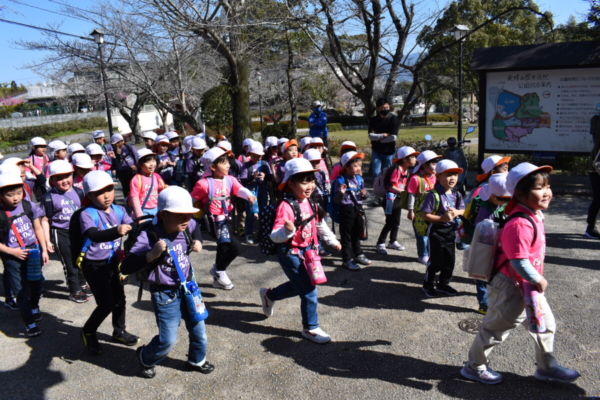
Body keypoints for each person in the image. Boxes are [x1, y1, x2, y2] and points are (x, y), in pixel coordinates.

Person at [461, 163, 580, 385]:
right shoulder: (518, 222)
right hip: (510, 287)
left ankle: (547, 367)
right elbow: (517, 260)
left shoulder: (533, 215)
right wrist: (538, 278)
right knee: (495, 329)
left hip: (528, 287)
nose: (546, 192)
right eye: (538, 188)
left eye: (548, 186)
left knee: (545, 325)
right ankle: (474, 366)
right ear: (520, 193)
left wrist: (534, 281)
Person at [120, 186, 214, 378]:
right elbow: (125, 266)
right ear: (163, 215)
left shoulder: (187, 225)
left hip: (189, 288)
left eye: (189, 214)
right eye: (180, 215)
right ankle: (146, 357)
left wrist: (199, 241)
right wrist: (151, 254)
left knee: (199, 331)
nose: (186, 219)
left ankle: (196, 360)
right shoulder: (150, 235)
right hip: (164, 293)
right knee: (167, 340)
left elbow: (196, 228)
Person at [259, 158, 340, 344]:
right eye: (304, 182)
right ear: (291, 183)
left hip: (309, 253)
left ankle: (269, 295)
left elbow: (318, 223)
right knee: (309, 289)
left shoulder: (311, 201)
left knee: (299, 285)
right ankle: (310, 328)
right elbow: (275, 236)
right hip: (290, 253)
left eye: (311, 180)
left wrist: (332, 240)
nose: (309, 185)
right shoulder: (285, 206)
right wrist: (287, 231)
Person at [78, 170, 139, 354]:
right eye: (99, 192)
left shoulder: (118, 210)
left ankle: (119, 331)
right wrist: (116, 231)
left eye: (110, 189)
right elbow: (93, 235)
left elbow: (132, 226)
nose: (106, 195)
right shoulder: (87, 214)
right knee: (106, 303)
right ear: (89, 195)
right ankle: (88, 332)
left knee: (119, 299)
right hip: (94, 266)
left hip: (113, 262)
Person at [190, 147, 255, 290]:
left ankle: (217, 278)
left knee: (223, 247)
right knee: (235, 247)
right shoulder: (204, 184)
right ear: (212, 167)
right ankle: (219, 270)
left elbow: (239, 189)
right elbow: (190, 200)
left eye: (228, 162)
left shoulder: (230, 179)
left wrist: (248, 195)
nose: (228, 165)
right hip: (214, 221)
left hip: (227, 219)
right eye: (224, 163)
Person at [0, 172, 49, 336]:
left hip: (33, 252)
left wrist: (43, 248)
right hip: (12, 256)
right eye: (9, 195)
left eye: (19, 193)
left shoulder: (29, 206)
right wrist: (12, 251)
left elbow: (38, 228)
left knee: (36, 284)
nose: (15, 198)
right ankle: (29, 323)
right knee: (21, 291)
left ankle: (34, 307)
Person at [40, 160, 90, 303]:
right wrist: (47, 241)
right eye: (59, 178)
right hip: (60, 232)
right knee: (69, 263)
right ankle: (74, 291)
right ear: (52, 181)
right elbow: (44, 220)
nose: (64, 181)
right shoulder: (48, 198)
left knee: (82, 258)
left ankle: (82, 283)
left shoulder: (79, 192)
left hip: (79, 232)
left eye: (67, 176)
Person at [420, 160, 465, 298]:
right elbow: (425, 215)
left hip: (450, 231)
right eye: (448, 175)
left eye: (455, 175)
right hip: (436, 231)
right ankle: (427, 284)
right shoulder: (432, 195)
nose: (452, 178)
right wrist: (442, 219)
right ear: (438, 176)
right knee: (435, 260)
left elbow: (463, 210)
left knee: (449, 260)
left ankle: (443, 284)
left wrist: (456, 212)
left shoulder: (457, 194)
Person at [471, 172, 511, 315]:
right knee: (482, 276)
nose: (507, 202)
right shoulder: (486, 210)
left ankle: (489, 298)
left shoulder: (496, 204)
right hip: (484, 248)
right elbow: (484, 233)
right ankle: (484, 304)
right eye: (504, 199)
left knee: (490, 276)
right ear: (493, 197)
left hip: (493, 246)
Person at [375, 146, 419, 255]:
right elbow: (390, 186)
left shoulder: (405, 169)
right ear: (404, 159)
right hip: (390, 200)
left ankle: (393, 241)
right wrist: (404, 192)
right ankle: (380, 243)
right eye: (413, 157)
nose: (415, 159)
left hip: (397, 199)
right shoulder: (396, 169)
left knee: (396, 222)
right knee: (390, 222)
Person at [332, 151, 370, 271]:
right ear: (346, 167)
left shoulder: (359, 179)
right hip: (346, 210)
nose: (359, 168)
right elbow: (336, 200)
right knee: (346, 236)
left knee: (357, 233)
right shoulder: (340, 180)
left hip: (357, 209)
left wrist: (365, 194)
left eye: (360, 165)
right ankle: (347, 259)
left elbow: (364, 194)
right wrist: (341, 193)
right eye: (355, 166)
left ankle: (358, 254)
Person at [407, 150, 442, 264]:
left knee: (431, 232)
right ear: (424, 165)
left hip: (433, 211)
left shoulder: (436, 177)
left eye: (437, 163)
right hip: (419, 212)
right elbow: (411, 195)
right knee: (421, 233)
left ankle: (430, 252)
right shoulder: (416, 178)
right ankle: (422, 254)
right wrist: (410, 210)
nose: (436, 166)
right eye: (433, 163)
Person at [240, 142, 272, 244]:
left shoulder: (264, 164)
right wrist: (252, 177)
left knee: (263, 212)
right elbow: (243, 181)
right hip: (250, 191)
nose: (257, 158)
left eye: (259, 156)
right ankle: (248, 233)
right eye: (255, 156)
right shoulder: (246, 166)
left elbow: (271, 178)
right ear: (250, 154)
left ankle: (262, 233)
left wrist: (265, 176)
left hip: (262, 190)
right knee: (250, 213)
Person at [129, 149, 167, 219]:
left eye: (153, 161)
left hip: (157, 209)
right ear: (140, 164)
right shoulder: (136, 179)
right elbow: (134, 199)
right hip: (143, 211)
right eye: (148, 162)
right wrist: (140, 216)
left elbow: (162, 190)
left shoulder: (157, 176)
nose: (152, 164)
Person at [368, 97, 398, 182]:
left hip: (389, 152)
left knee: (388, 173)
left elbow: (393, 137)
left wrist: (378, 138)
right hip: (376, 151)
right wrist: (383, 135)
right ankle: (376, 189)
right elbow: (370, 136)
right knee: (376, 173)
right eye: (382, 108)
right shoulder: (374, 120)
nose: (385, 109)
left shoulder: (393, 119)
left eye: (387, 108)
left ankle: (387, 191)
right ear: (378, 108)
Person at [110, 134, 138, 199]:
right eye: (114, 144)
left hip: (132, 170)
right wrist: (118, 155)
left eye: (117, 143)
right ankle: (127, 200)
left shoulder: (129, 147)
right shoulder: (114, 151)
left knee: (134, 186)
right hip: (122, 172)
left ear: (122, 141)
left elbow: (136, 156)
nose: (116, 145)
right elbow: (115, 163)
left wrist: (136, 166)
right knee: (125, 188)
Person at [585, 115, 600, 239]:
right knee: (598, 199)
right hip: (597, 167)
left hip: (595, 166)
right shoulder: (596, 120)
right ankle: (590, 227)